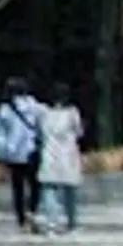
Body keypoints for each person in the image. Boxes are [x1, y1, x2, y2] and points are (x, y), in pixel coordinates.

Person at [0, 76, 45, 233]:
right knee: (35, 184)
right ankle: (33, 210)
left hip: (13, 153)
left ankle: (21, 219)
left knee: (18, 187)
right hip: (32, 150)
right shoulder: (35, 106)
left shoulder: (4, 110)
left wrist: (1, 154)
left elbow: (0, 134)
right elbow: (42, 126)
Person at [36, 84, 87, 234]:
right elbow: (79, 132)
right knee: (70, 190)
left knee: (49, 190)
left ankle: (51, 223)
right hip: (68, 154)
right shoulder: (72, 113)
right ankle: (71, 223)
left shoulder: (44, 113)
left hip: (49, 153)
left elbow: (40, 133)